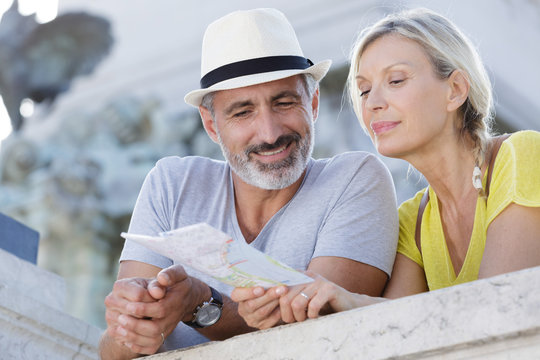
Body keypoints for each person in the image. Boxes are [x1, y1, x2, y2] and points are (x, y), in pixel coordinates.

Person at [99, 8, 399, 358]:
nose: (270, 133)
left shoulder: (354, 179)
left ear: (313, 103)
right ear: (211, 126)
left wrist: (200, 305)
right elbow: (112, 348)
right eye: (242, 112)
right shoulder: (172, 184)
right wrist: (132, 327)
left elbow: (322, 333)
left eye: (284, 102)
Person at [232, 7, 540, 327]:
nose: (373, 102)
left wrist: (351, 301)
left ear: (456, 90)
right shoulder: (413, 221)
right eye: (364, 90)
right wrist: (329, 296)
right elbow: (398, 327)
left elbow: (502, 307)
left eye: (395, 80)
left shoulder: (520, 156)